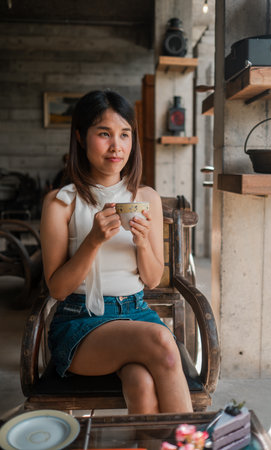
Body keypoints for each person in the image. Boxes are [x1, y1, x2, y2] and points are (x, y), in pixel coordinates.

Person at [40, 89, 193, 414]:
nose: (117, 146)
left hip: (136, 313)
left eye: (125, 134)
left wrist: (140, 242)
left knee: (142, 385)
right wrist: (93, 240)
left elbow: (151, 280)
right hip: (80, 322)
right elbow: (57, 288)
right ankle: (190, 441)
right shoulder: (61, 202)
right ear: (80, 137)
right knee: (165, 346)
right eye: (104, 133)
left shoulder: (145, 197)